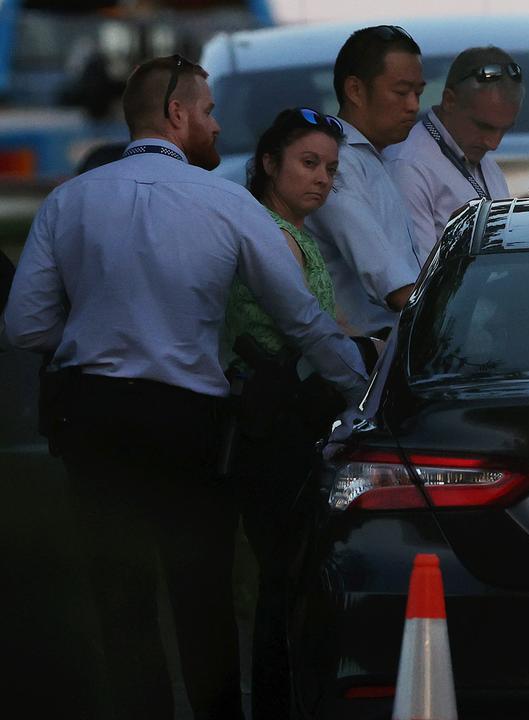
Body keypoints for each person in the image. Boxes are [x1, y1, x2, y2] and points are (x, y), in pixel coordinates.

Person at [2, 55, 368, 720]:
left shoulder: (70, 199)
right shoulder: (225, 200)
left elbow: (25, 326)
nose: (217, 125)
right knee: (200, 591)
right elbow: (302, 317)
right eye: (208, 112)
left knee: (122, 595)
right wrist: (363, 393)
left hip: (92, 416)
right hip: (186, 420)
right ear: (177, 115)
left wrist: (89, 336)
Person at [223, 107, 348, 720]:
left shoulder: (296, 233)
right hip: (271, 425)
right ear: (269, 163)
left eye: (330, 168)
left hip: (292, 418)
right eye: (308, 163)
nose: (323, 178)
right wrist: (361, 374)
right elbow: (305, 330)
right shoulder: (266, 233)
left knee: (293, 576)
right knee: (283, 576)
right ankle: (276, 702)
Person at [307, 25, 426, 337]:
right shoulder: (337, 162)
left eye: (418, 94)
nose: (414, 105)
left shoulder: (372, 156)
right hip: (363, 361)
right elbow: (393, 283)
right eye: (401, 93)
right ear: (355, 91)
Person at [387, 46, 523, 250]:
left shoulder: (488, 167)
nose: (493, 144)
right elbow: (419, 277)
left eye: (504, 130)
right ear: (449, 100)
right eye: (483, 126)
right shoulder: (408, 167)